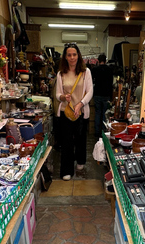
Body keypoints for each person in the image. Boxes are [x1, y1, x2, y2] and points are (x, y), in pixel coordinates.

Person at [55, 43, 93, 181]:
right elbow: (57, 93)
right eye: (69, 55)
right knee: (66, 142)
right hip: (66, 111)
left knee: (81, 138)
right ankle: (66, 170)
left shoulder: (85, 72)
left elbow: (90, 91)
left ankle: (81, 161)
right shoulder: (61, 74)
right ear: (65, 57)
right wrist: (63, 97)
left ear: (78, 56)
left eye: (74, 54)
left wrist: (81, 104)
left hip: (82, 112)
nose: (72, 57)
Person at [91, 54, 113, 138]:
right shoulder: (109, 70)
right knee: (105, 113)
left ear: (98, 60)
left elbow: (92, 81)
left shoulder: (95, 70)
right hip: (106, 94)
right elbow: (111, 83)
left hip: (97, 93)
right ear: (106, 60)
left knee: (97, 113)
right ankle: (104, 131)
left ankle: (97, 132)